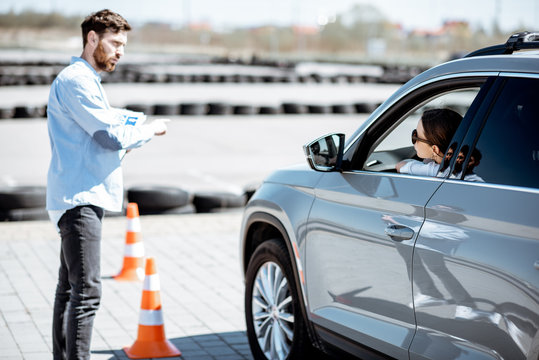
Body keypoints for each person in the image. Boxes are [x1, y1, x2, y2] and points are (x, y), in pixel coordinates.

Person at [46, 9, 169, 360]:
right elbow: (109, 136)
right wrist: (150, 130)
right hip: (79, 199)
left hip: (80, 195)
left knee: (69, 291)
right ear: (92, 39)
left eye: (123, 46)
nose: (120, 52)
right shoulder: (76, 81)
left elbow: (105, 130)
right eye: (115, 43)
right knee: (86, 292)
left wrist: (130, 127)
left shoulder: (87, 82)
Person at [396, 108, 462, 176]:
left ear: (435, 149)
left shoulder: (436, 171)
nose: (414, 139)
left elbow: (400, 166)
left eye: (416, 136)